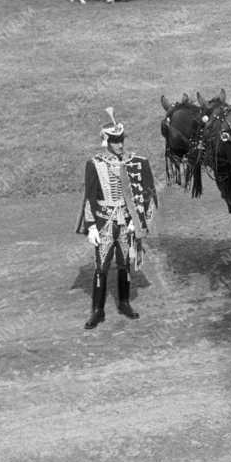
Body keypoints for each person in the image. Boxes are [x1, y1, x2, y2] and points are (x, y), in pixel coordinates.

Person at [76, 108, 157, 330]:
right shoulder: (95, 164)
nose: (120, 145)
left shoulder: (135, 162)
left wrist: (137, 220)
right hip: (104, 222)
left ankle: (124, 302)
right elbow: (90, 196)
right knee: (101, 267)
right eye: (115, 141)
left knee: (124, 264)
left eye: (121, 140)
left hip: (125, 223)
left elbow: (145, 193)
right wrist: (91, 226)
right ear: (107, 142)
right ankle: (97, 310)